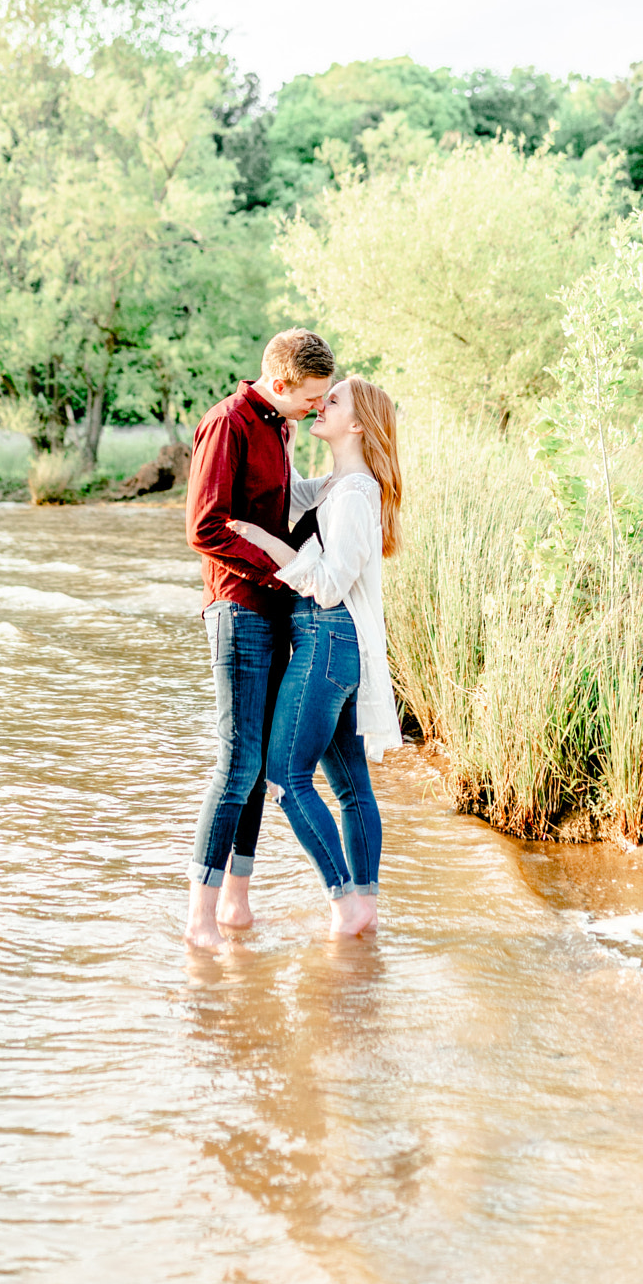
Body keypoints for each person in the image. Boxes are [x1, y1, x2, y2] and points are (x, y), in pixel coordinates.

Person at [227, 375, 403, 940]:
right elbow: (288, 489)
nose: (320, 407)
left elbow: (328, 585)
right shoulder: (337, 486)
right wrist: (277, 420)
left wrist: (268, 544)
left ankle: (345, 902)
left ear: (357, 424)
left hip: (327, 642)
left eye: (332, 401)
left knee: (285, 776)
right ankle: (365, 909)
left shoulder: (355, 494)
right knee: (352, 789)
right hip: (331, 646)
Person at [183, 329, 337, 951]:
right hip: (239, 609)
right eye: (312, 398)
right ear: (280, 384)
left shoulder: (280, 424)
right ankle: (198, 920)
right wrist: (283, 571)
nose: (319, 408)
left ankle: (237, 907)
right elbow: (205, 526)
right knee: (237, 763)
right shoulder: (228, 424)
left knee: (255, 768)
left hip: (274, 611)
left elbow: (279, 512)